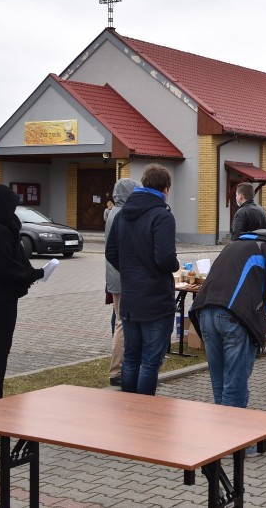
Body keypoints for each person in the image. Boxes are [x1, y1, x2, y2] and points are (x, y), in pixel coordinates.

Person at [188, 229, 266, 409]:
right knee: (234, 388)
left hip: (204, 313)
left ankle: (222, 432)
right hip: (234, 320)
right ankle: (234, 434)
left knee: (220, 385)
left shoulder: (233, 246)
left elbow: (240, 291)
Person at [105, 164, 179, 395]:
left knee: (132, 357)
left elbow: (111, 252)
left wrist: (129, 271)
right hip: (155, 299)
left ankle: (129, 409)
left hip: (130, 297)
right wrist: (172, 267)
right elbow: (165, 257)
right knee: (149, 361)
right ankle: (144, 411)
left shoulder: (122, 214)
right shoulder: (162, 215)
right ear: (165, 189)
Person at [0, 184, 45, 402]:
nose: (14, 211)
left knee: (2, 349)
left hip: (2, 295)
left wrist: (31, 273)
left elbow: (11, 260)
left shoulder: (1, 226)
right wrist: (31, 275)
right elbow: (2, 267)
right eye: (11, 206)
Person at [104, 178, 139, 387]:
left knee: (119, 320)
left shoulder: (113, 213)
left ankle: (121, 366)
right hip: (122, 276)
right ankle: (117, 369)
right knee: (122, 323)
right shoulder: (122, 214)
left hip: (114, 275)